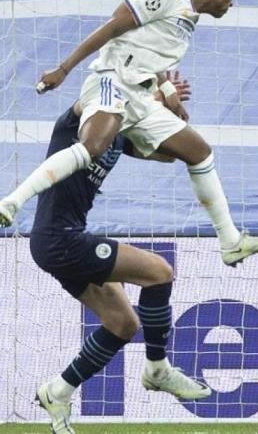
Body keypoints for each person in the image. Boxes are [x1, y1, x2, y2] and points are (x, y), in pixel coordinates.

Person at [0, 0, 258, 266]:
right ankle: (12, 202)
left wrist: (170, 92)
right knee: (94, 146)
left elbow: (146, 50)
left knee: (199, 152)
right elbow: (114, 26)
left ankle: (230, 241)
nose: (232, 4)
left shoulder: (189, 14)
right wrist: (64, 68)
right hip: (114, 79)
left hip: (142, 96)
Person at [32, 77, 211, 434]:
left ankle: (58, 391)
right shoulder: (79, 119)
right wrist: (150, 94)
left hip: (62, 240)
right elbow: (97, 97)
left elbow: (171, 154)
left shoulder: (119, 136)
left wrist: (170, 112)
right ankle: (157, 369)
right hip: (58, 238)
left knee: (123, 324)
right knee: (159, 272)